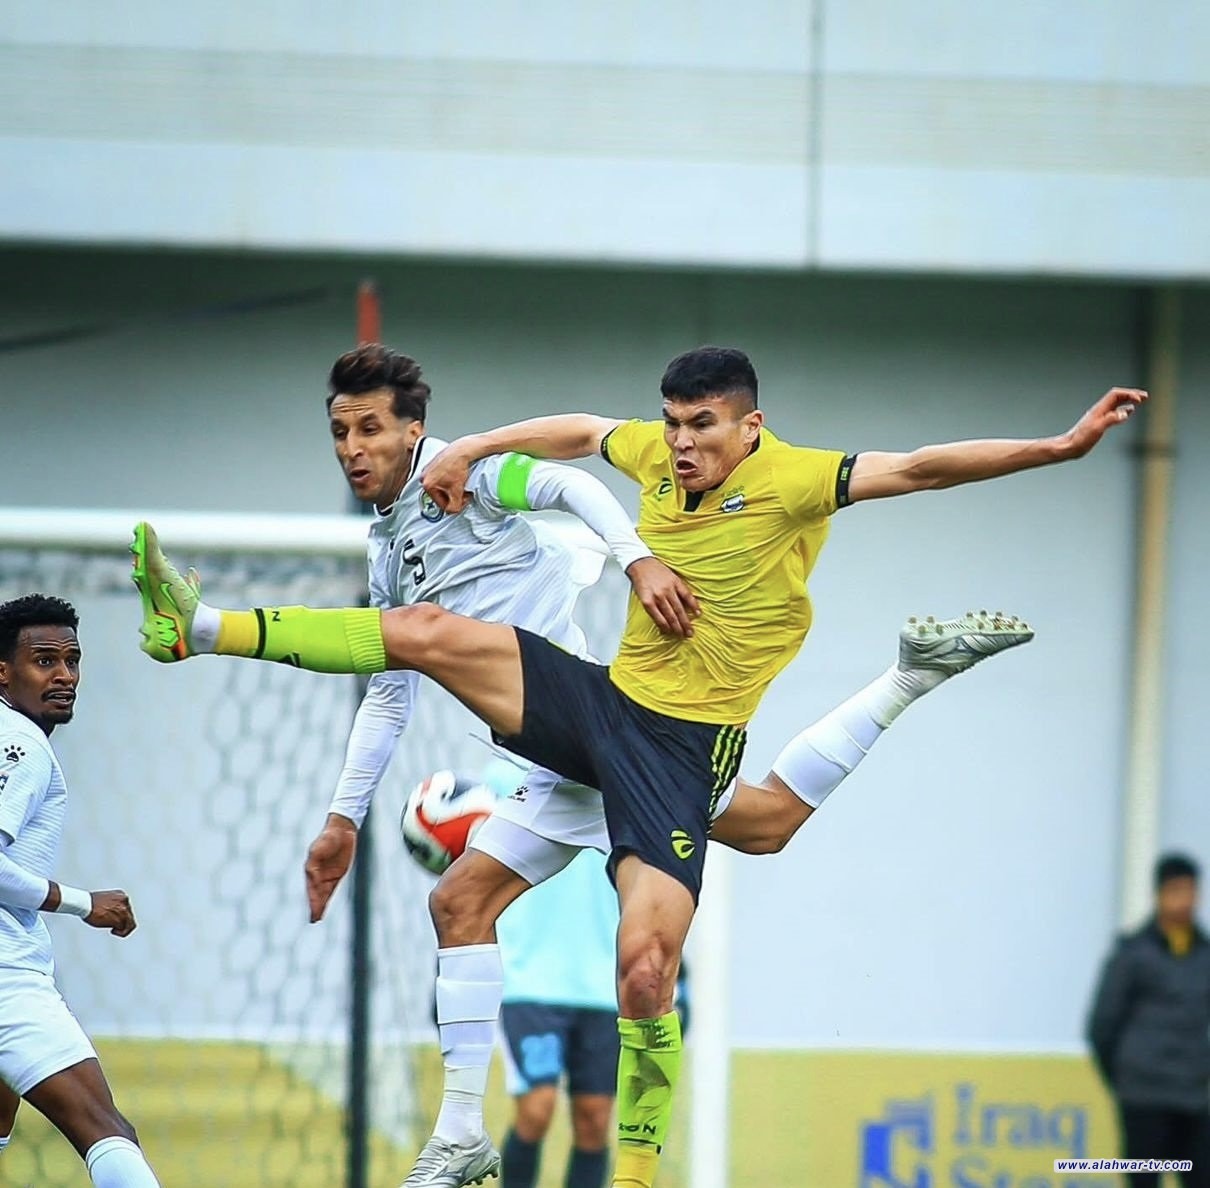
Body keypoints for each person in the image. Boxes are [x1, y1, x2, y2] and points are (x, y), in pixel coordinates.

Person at [129, 345, 1134, 1188]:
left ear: (748, 426)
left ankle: (639, 1178)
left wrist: (1059, 445)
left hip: (681, 750)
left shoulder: (791, 478)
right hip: (602, 707)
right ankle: (204, 625)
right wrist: (481, 441)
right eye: (673, 424)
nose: (682, 444)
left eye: (702, 425)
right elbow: (578, 436)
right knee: (447, 804)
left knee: (657, 961)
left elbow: (919, 468)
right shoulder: (647, 455)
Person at [0, 594, 161, 1188]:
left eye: (73, 660)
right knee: (106, 1128)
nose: (64, 675)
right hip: (5, 975)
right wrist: (84, 902)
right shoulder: (20, 745)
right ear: (2, 671)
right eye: (44, 661)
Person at [1087, 852, 1210, 1188]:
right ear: (1159, 895)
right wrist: (1127, 1077)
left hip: (1194, 1097)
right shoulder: (1133, 954)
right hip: (1144, 1097)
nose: (1184, 900)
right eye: (1176, 891)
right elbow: (1102, 1027)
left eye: (1190, 891)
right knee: (1144, 1180)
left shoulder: (1204, 953)